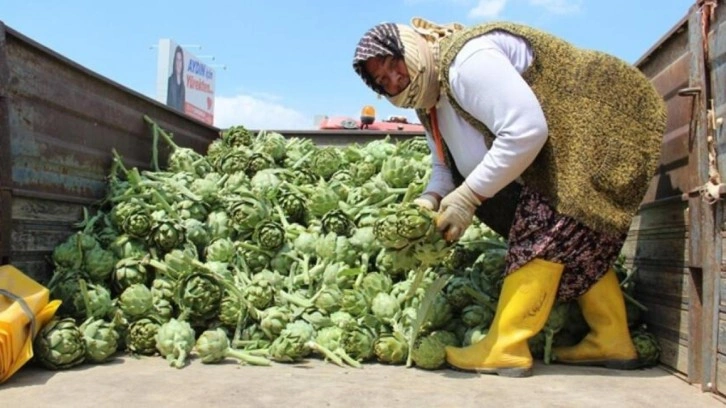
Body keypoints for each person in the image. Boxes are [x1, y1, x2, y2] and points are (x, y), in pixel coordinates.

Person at [352, 18, 667, 377]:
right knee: (576, 243)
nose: (394, 80)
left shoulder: (466, 62)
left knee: (544, 231)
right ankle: (611, 337)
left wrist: (468, 196)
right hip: (551, 156)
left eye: (395, 65)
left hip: (602, 128)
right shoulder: (428, 105)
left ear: (410, 46)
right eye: (383, 80)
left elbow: (526, 131)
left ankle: (506, 346)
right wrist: (427, 204)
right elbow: (444, 167)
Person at [166, 45, 186, 112]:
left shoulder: (183, 86)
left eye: (180, 60)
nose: (178, 63)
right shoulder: (170, 81)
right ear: (174, 61)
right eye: (177, 60)